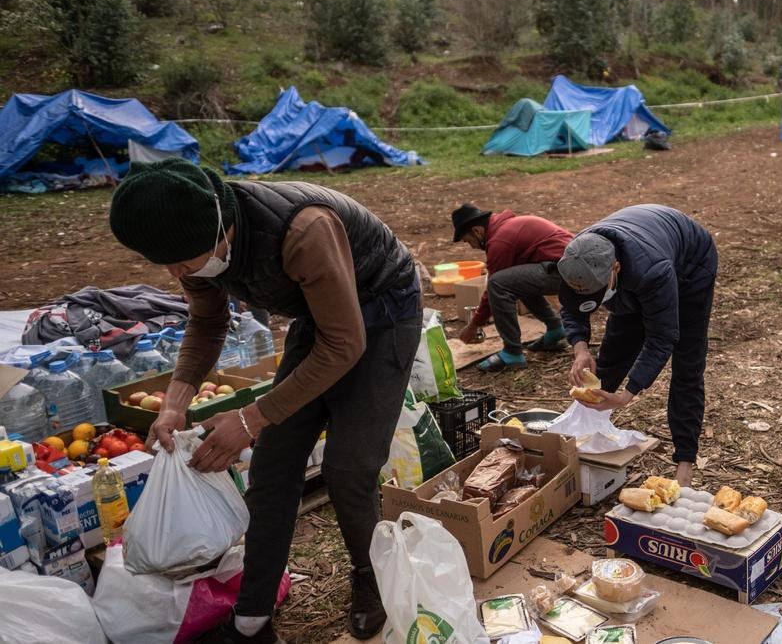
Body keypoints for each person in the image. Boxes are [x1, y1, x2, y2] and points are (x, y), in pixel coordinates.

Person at [108, 158, 423, 643]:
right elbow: (208, 322)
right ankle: (252, 618)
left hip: (384, 307)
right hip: (319, 316)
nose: (175, 272)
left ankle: (371, 577)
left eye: (181, 261)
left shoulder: (303, 230)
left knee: (348, 467)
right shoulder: (195, 243)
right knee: (274, 464)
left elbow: (345, 345)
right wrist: (175, 400)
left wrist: (251, 417)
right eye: (165, 263)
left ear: (217, 226)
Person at [558, 204, 718, 487]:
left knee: (687, 362)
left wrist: (627, 396)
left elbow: (662, 337)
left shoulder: (651, 270)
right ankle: (588, 439)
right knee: (615, 350)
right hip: (638, 262)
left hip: (691, 264)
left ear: (615, 268)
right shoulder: (575, 259)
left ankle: (685, 463)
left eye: (598, 290)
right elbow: (571, 308)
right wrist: (580, 349)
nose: (594, 297)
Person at [450, 203, 575, 371]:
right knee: (514, 280)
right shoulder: (508, 227)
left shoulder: (500, 240)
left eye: (468, 241)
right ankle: (555, 328)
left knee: (499, 284)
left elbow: (493, 289)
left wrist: (473, 326)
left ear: (477, 231)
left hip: (567, 272)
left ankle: (512, 353)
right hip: (569, 267)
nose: (471, 246)